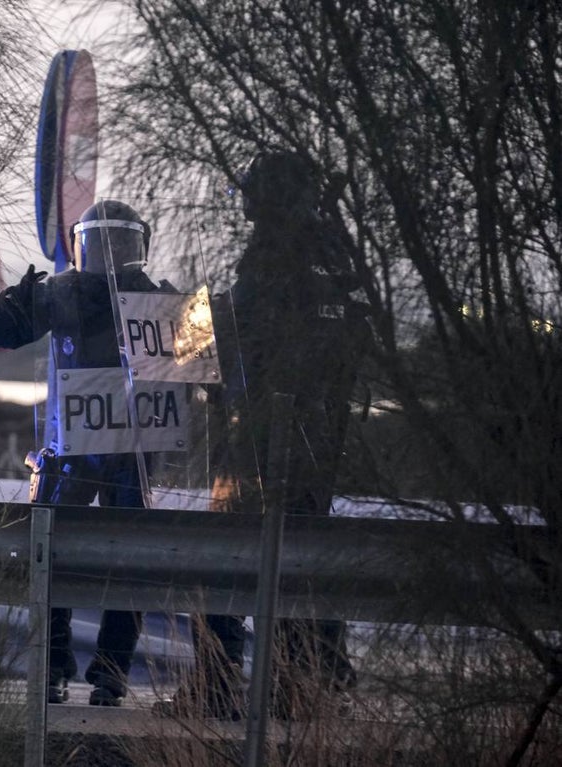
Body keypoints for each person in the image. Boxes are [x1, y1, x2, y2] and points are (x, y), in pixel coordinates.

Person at [162, 151, 371, 720]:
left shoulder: (277, 265)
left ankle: (219, 684)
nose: (246, 207)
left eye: (252, 195)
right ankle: (307, 684)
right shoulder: (332, 258)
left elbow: (242, 340)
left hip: (258, 445)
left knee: (223, 563)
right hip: (315, 443)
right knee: (301, 565)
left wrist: (191, 320)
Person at [0, 200, 171, 707]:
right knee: (52, 553)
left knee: (114, 560)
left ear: (136, 247)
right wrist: (21, 298)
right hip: (77, 446)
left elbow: (200, 375)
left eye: (117, 242)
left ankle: (104, 673)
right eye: (100, 241)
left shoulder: (153, 300)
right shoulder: (64, 294)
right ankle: (62, 666)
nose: (108, 252)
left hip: (126, 451)